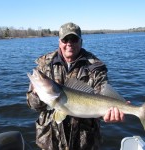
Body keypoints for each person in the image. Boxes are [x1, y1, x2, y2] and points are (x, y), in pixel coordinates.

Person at [26, 22, 125, 150]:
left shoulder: (95, 66)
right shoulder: (45, 65)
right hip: (51, 141)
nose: (69, 43)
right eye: (65, 39)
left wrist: (110, 114)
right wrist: (35, 94)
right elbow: (32, 105)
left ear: (81, 41)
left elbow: (103, 93)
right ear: (59, 42)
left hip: (85, 143)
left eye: (74, 39)